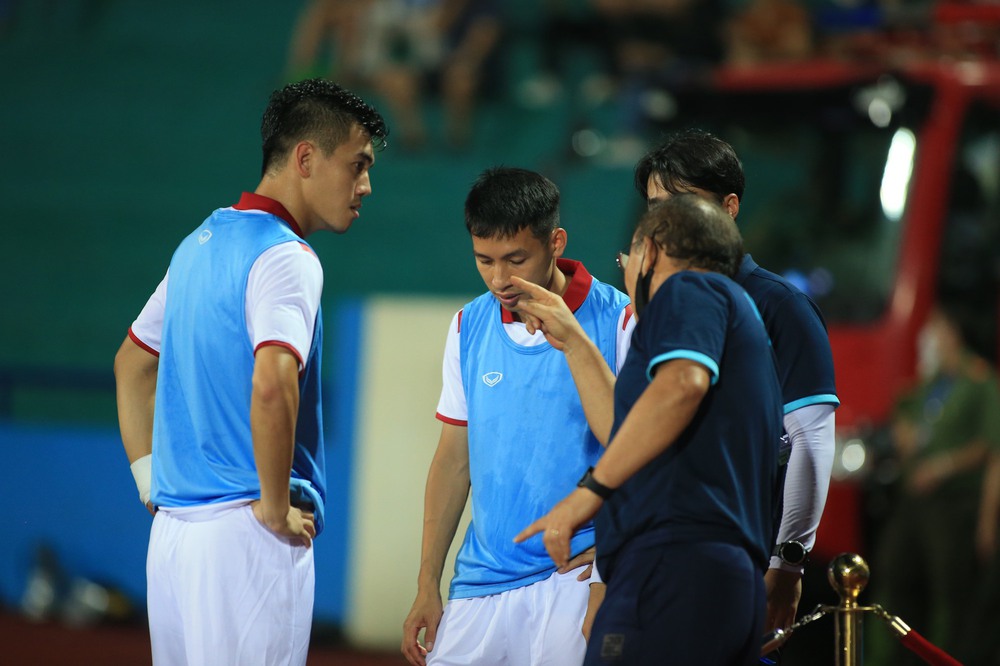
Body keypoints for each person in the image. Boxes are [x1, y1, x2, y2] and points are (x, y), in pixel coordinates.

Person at [113, 78, 387, 665]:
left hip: (174, 539)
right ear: (305, 158)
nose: (366, 185)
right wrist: (270, 504)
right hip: (247, 536)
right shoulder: (287, 256)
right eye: (357, 164)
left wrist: (147, 478)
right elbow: (272, 382)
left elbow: (132, 363)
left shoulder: (197, 244)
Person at [515, 194, 783, 665]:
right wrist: (576, 343)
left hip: (672, 566)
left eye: (628, 257)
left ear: (652, 252)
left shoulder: (688, 291)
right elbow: (632, 434)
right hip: (719, 577)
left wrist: (589, 491)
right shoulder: (737, 316)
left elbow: (681, 385)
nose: (625, 269)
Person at [400, 167, 634, 666]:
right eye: (483, 260)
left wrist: (609, 573)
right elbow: (453, 460)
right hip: (479, 582)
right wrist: (427, 582)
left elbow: (636, 450)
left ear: (556, 241)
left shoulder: (620, 319)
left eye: (516, 259)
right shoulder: (467, 325)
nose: (499, 278)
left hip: (574, 577)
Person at [633, 129, 840, 632]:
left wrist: (788, 564)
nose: (666, 222)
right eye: (656, 206)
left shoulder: (780, 307)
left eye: (683, 203)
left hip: (739, 563)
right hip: (655, 560)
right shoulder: (655, 308)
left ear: (729, 207)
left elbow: (810, 442)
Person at [870, 303, 1000, 665]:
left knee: (951, 590)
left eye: (936, 329)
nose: (929, 337)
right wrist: (902, 428)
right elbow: (904, 411)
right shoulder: (932, 381)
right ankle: (900, 657)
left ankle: (950, 657)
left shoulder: (979, 380)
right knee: (895, 572)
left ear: (953, 332)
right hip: (914, 500)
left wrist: (944, 467)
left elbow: (991, 445)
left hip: (954, 505)